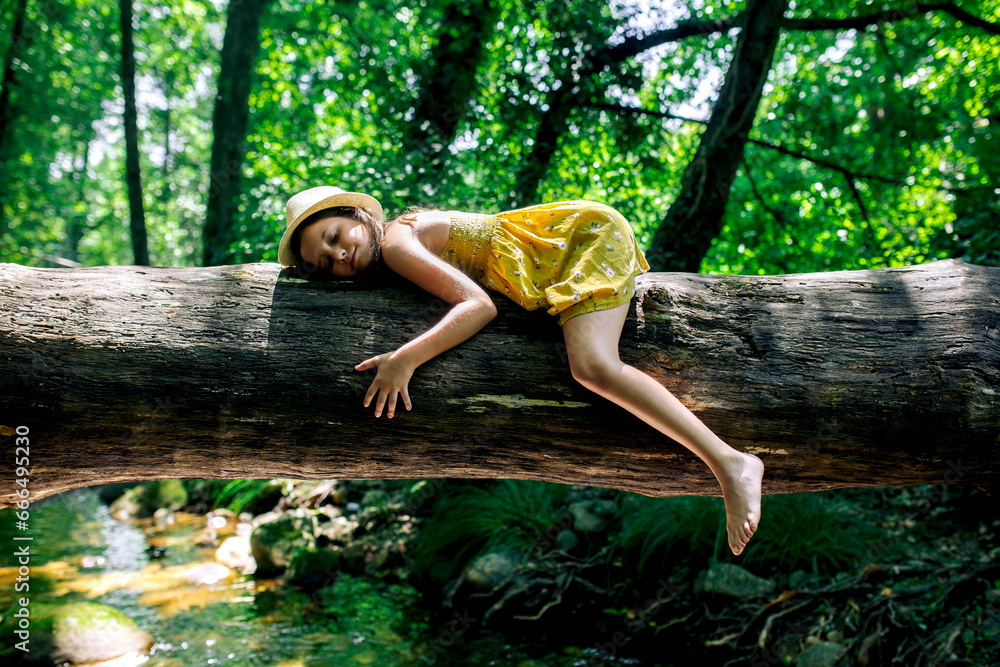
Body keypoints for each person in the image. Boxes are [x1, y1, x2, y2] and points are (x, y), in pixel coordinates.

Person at [277, 186, 764, 556]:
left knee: (593, 367)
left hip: (578, 240)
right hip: (566, 244)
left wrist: (404, 360)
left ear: (356, 214)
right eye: (327, 263)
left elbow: (478, 306)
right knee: (589, 367)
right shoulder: (394, 255)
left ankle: (730, 462)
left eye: (336, 236)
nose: (340, 255)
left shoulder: (400, 243)